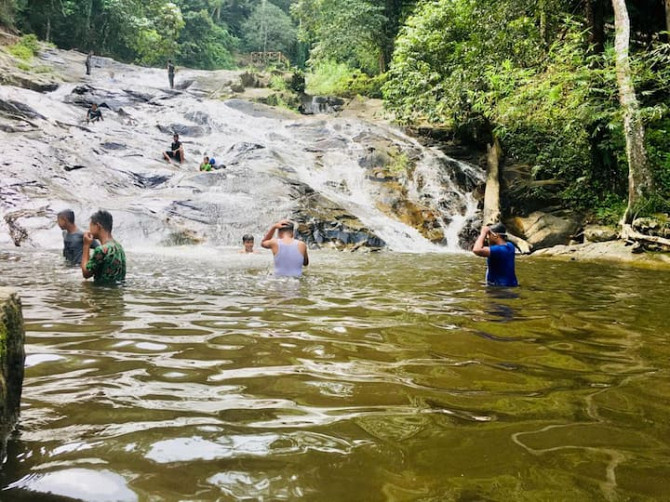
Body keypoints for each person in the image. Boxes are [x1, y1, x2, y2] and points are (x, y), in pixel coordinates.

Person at [81, 210, 126, 285]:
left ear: (98, 226)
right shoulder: (118, 246)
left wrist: (86, 245)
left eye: (91, 226)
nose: (89, 230)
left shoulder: (101, 250)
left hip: (102, 293)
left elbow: (86, 273)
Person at [472, 222, 518, 287]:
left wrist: (483, 233)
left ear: (496, 236)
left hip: (499, 289)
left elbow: (476, 250)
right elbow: (492, 247)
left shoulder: (498, 250)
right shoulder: (510, 246)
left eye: (489, 234)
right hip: (511, 285)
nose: (487, 237)